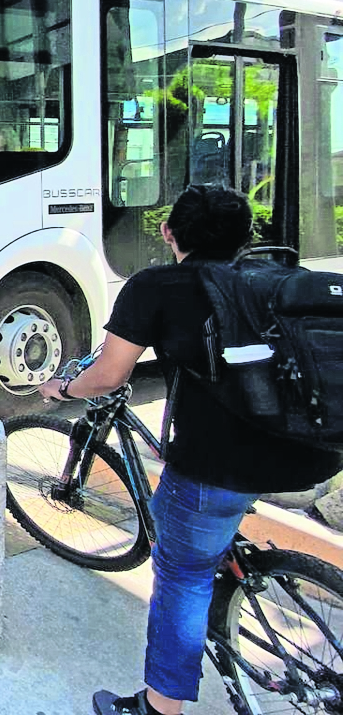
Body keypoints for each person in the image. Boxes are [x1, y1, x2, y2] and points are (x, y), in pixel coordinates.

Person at [37, 185, 343, 715]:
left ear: (168, 232)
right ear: (246, 236)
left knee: (182, 574)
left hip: (218, 466)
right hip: (315, 456)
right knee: (209, 531)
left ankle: (158, 707)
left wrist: (61, 389)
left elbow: (108, 375)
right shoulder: (278, 280)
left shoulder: (157, 285)